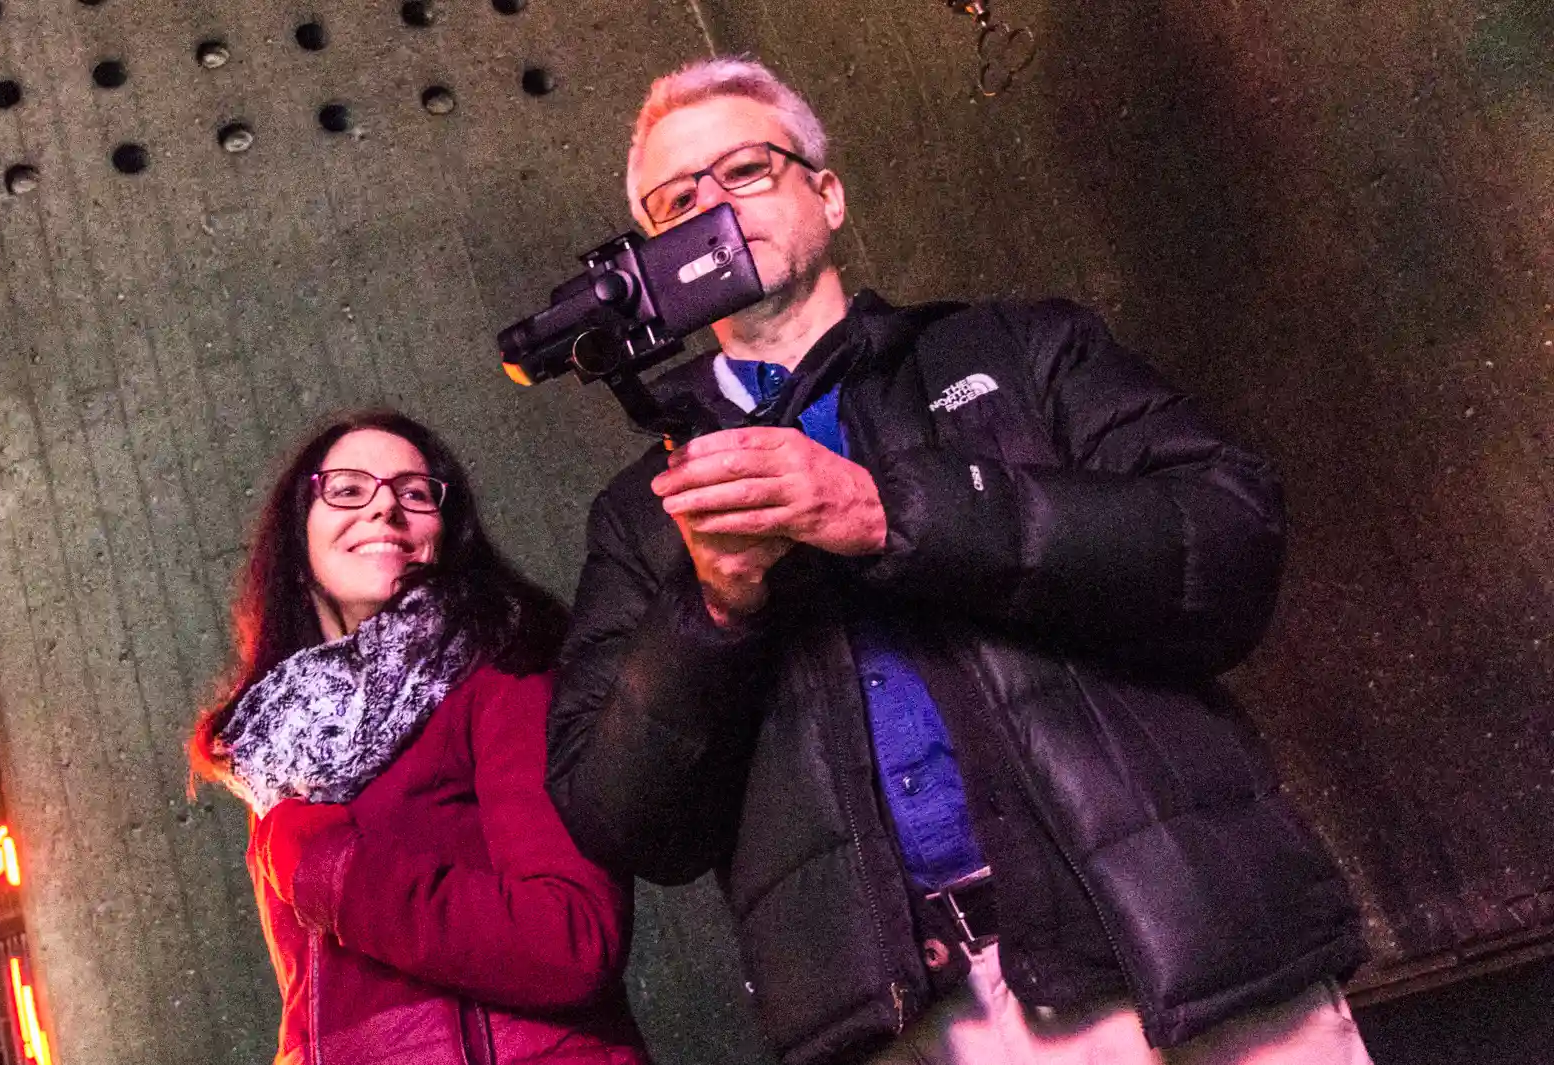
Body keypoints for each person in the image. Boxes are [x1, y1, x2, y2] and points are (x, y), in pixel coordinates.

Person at [545, 57, 1372, 1065]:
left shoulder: (1024, 350)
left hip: (1180, 956)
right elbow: (621, 819)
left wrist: (886, 511)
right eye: (679, 198)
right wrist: (711, 613)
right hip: (918, 1025)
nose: (713, 205)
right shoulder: (641, 515)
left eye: (747, 171)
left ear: (828, 192)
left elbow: (1228, 547)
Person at [191, 410, 649, 1065]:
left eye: (413, 492)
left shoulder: (499, 677)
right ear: (298, 546)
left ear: (445, 534)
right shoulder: (279, 751)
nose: (384, 507)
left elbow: (572, 937)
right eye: (348, 489)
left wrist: (334, 870)